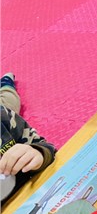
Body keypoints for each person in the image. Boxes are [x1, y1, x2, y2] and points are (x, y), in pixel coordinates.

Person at [0, 73, 56, 203]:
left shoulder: (4, 116)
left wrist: (37, 153)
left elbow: (45, 147)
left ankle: (6, 83)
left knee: (9, 100)